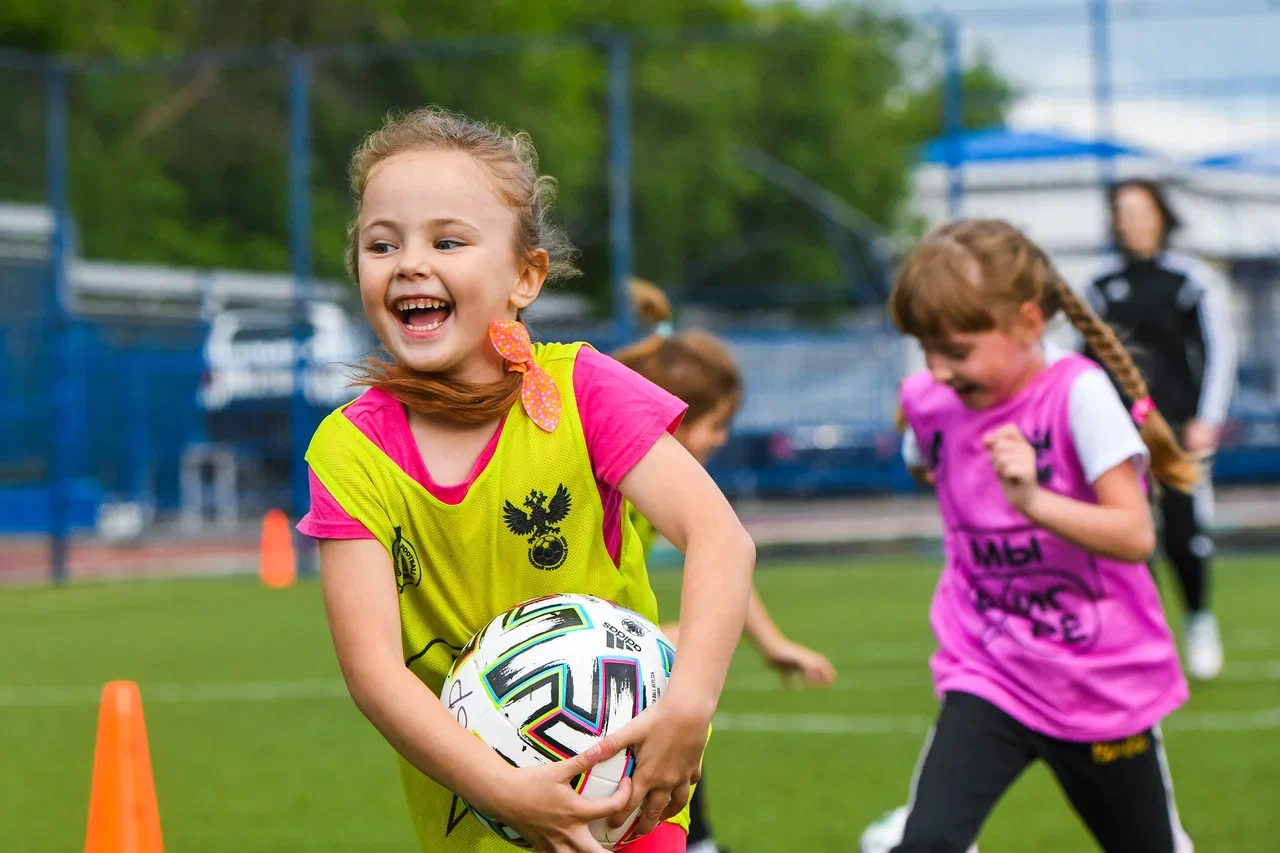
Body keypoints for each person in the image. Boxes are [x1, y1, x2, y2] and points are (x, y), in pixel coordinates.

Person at [297, 106, 756, 853]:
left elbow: (720, 540)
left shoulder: (585, 392)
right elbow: (375, 673)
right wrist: (504, 788)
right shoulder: (349, 453)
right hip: (479, 818)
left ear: (524, 275)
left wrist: (688, 709)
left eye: (447, 240)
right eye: (383, 243)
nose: (410, 262)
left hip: (626, 803)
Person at [886, 220, 1197, 853]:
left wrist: (1032, 500)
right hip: (989, 668)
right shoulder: (932, 398)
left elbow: (1136, 534)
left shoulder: (1078, 394)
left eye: (957, 350)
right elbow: (924, 458)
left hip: (1100, 682)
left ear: (1029, 323)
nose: (939, 371)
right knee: (926, 843)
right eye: (926, 350)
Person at [613, 280, 837, 853]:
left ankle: (697, 838)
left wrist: (771, 643)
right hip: (572, 650)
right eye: (716, 424)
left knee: (676, 680)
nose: (721, 439)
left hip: (605, 650)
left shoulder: (663, 491)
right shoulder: (613, 480)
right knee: (674, 666)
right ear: (673, 423)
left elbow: (722, 561)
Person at [1084, 179, 1238, 680]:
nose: (1132, 220)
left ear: (1161, 216)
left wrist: (1206, 420)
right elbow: (1080, 361)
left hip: (1174, 433)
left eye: (1141, 210)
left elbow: (1218, 351)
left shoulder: (1190, 280)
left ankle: (1199, 620)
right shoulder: (1098, 286)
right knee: (1131, 537)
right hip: (1116, 436)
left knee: (1182, 530)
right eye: (1122, 212)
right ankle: (1146, 639)